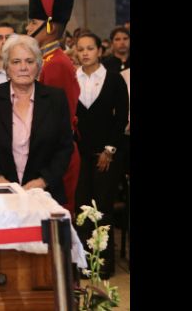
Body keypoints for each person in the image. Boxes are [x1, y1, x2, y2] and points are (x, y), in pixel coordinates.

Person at [0, 35, 73, 205]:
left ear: (38, 66)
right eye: (16, 62)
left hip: (44, 195)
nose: (23, 67)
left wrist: (42, 182)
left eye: (29, 61)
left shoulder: (56, 98)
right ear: (6, 67)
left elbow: (65, 147)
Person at [25, 0, 80, 214]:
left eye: (33, 24)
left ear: (48, 26)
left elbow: (58, 120)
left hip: (58, 157)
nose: (27, 28)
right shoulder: (46, 59)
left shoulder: (57, 63)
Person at [74, 32, 129, 278]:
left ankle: (103, 262)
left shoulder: (114, 79)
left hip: (106, 154)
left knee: (103, 207)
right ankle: (83, 261)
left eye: (90, 48)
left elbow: (121, 118)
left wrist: (110, 149)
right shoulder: (71, 78)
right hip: (78, 154)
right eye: (81, 49)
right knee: (82, 207)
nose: (85, 53)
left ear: (100, 51)